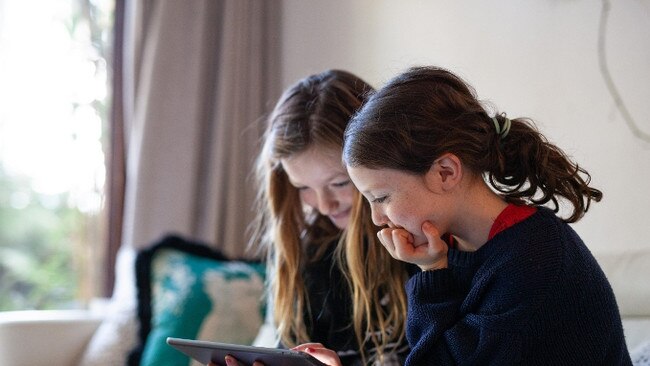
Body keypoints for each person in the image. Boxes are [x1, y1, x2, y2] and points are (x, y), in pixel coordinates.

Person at [296, 66, 632, 365]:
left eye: (381, 197)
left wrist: (431, 276)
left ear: (444, 172)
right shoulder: (453, 248)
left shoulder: (533, 259)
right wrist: (432, 269)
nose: (376, 218)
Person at [221, 70, 413, 366]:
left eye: (338, 183)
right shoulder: (300, 251)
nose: (324, 205)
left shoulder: (420, 246)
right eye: (303, 188)